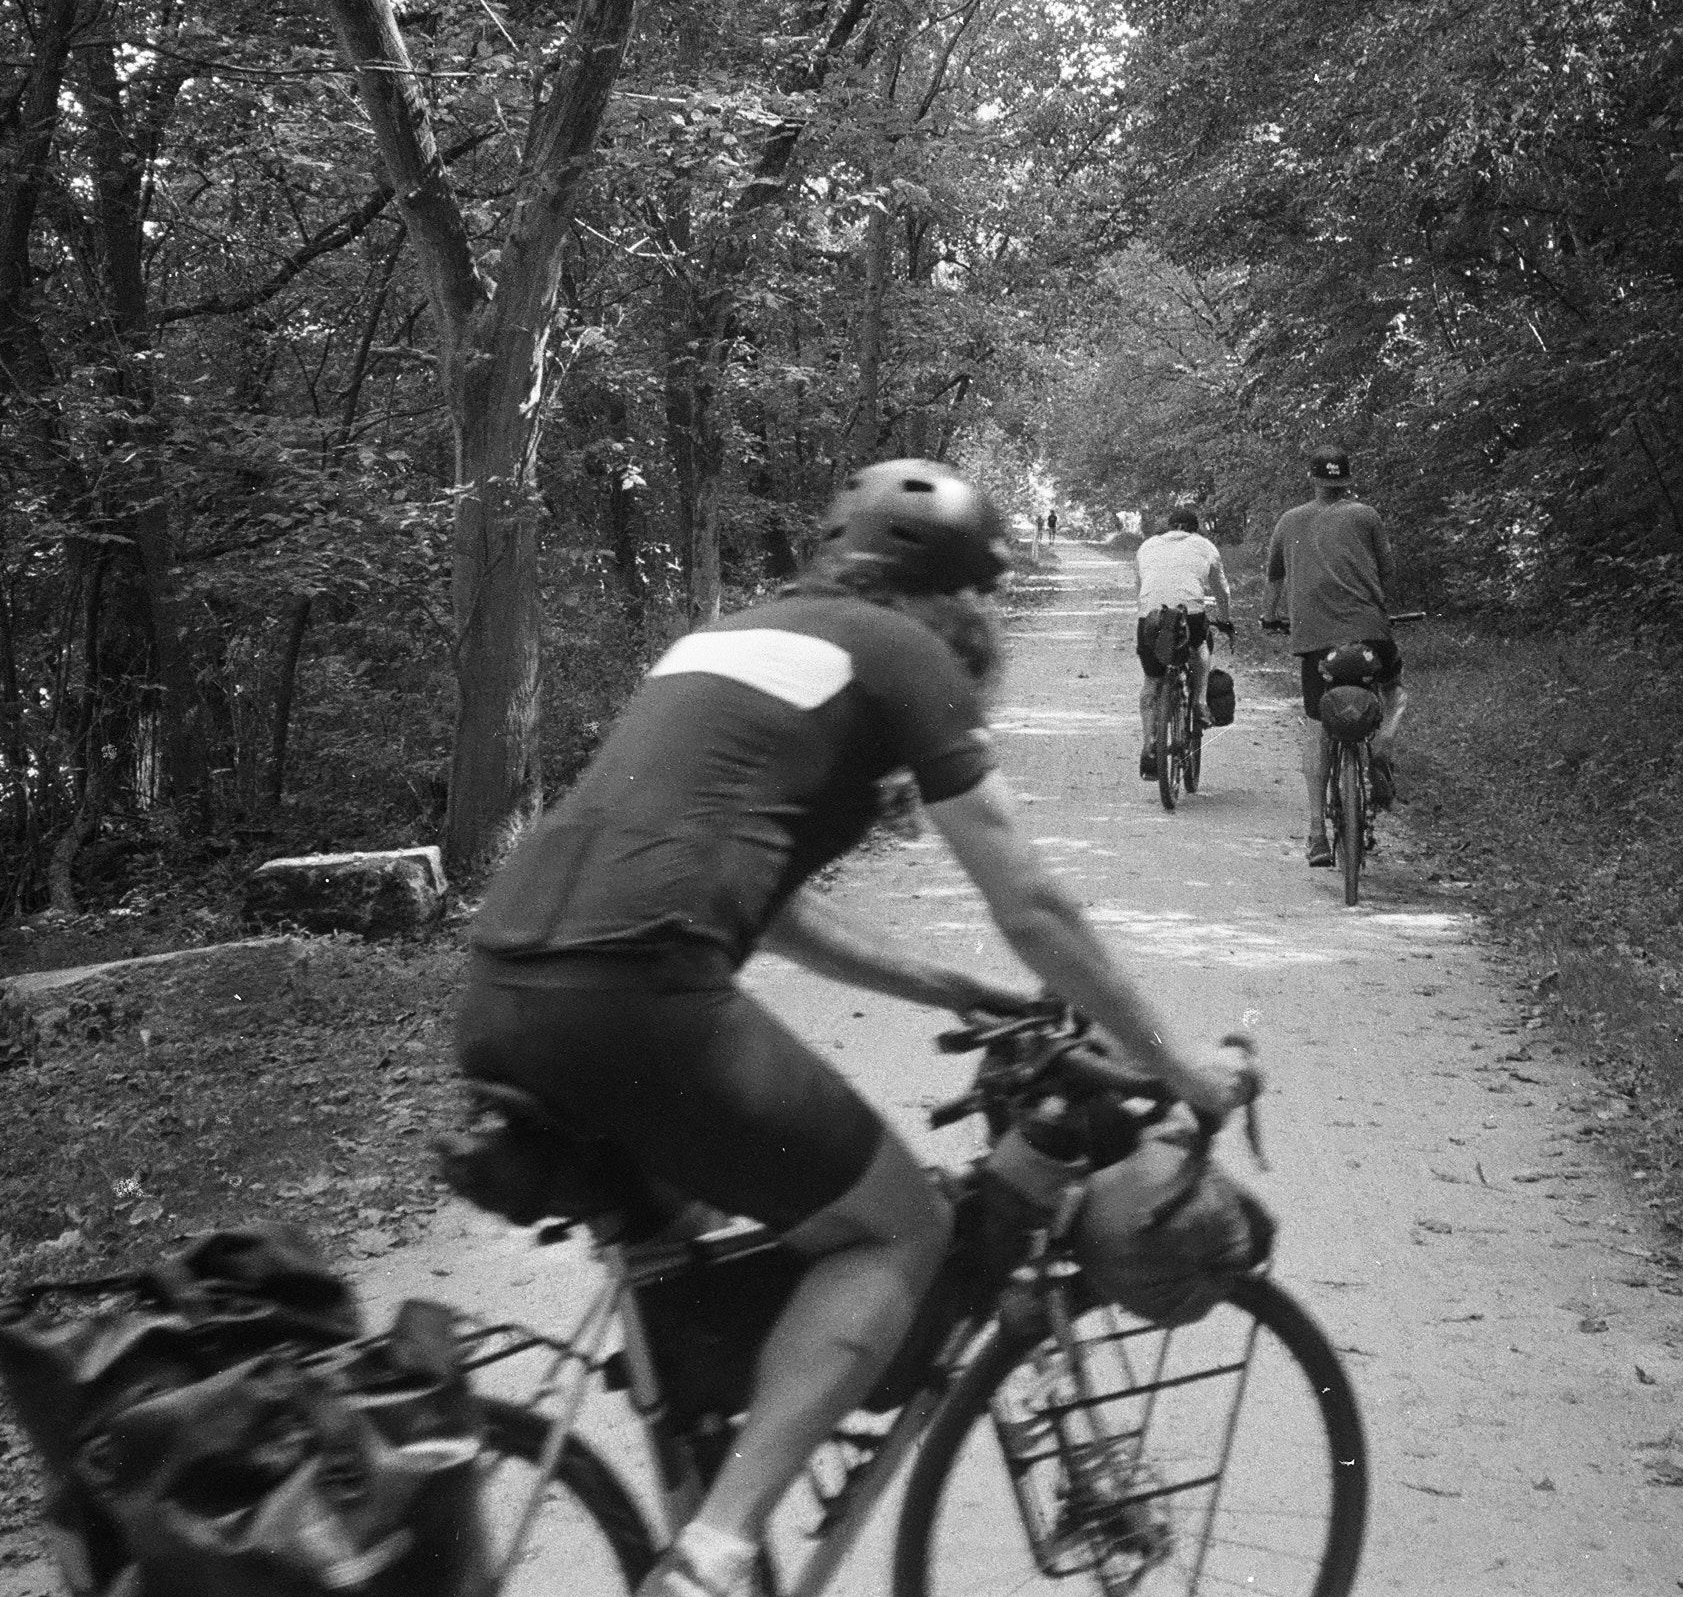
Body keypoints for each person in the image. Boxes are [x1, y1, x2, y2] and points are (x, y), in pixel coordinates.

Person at [456, 458, 1248, 1597]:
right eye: (977, 600)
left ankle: (696, 1507)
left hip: (503, 989)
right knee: (900, 1231)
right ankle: (717, 1551)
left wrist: (942, 987)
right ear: (952, 592)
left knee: (696, 1257)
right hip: (637, 1001)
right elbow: (1028, 898)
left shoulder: (730, 640)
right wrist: (1174, 1064)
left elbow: (764, 901)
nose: (977, 624)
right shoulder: (902, 652)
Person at [1259, 448, 1401, 867]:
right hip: (1369, 633)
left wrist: (1271, 616)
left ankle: (1316, 834)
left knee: (1318, 726)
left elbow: (1274, 579)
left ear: (1313, 479)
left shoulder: (1289, 520)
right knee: (1394, 694)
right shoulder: (1367, 516)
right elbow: (1387, 572)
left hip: (1317, 643)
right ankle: (1381, 748)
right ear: (1348, 480)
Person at [1131, 504, 1235, 777]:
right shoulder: (1205, 546)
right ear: (1195, 529)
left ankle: (1150, 745)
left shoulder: (1147, 546)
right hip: (1190, 616)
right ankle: (1200, 703)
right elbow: (1221, 590)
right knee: (1200, 647)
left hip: (1150, 618)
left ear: (1169, 526)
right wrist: (1224, 619)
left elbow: (1141, 588)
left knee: (1152, 682)